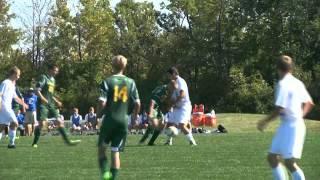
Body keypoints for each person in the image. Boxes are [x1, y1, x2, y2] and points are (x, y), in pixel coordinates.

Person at [257, 55, 314, 180]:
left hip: (291, 127)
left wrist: (264, 122)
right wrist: (300, 116)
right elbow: (310, 103)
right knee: (272, 157)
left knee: (289, 162)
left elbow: (279, 108)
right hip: (288, 126)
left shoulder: (283, 84)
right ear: (291, 68)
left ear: (277, 68)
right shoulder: (297, 83)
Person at [97, 55, 140, 180]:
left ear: (112, 65)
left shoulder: (107, 81)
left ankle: (105, 174)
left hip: (110, 119)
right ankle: (112, 178)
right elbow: (137, 103)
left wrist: (97, 116)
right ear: (125, 66)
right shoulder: (131, 82)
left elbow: (101, 102)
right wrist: (134, 118)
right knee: (115, 151)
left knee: (101, 149)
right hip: (123, 121)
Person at [32, 64, 80, 148]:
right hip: (42, 105)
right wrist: (43, 99)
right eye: (55, 70)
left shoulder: (53, 80)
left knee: (59, 121)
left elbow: (50, 94)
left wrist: (56, 101)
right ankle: (34, 143)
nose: (56, 72)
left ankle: (68, 141)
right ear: (50, 70)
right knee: (41, 124)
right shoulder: (43, 77)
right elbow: (36, 90)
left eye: (57, 71)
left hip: (51, 104)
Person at [165, 67, 197, 146]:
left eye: (169, 75)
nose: (168, 77)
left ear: (174, 74)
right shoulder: (172, 83)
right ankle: (169, 141)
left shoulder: (181, 81)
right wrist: (169, 104)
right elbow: (171, 97)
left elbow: (182, 95)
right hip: (176, 106)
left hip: (184, 106)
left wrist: (173, 104)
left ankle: (192, 141)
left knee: (182, 125)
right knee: (169, 124)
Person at [139, 81, 176, 146]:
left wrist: (169, 106)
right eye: (173, 88)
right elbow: (152, 101)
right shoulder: (162, 90)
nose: (173, 90)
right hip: (151, 106)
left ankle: (150, 142)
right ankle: (147, 135)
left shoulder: (167, 91)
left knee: (162, 125)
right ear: (170, 85)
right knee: (155, 124)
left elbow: (164, 101)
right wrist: (150, 113)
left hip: (157, 107)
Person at [0, 66, 28, 148]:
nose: (19, 77)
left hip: (8, 108)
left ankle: (11, 143)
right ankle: (11, 144)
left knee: (2, 127)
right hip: (4, 107)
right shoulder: (5, 83)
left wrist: (23, 104)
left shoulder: (12, 85)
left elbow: (15, 97)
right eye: (18, 75)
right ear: (13, 74)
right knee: (15, 123)